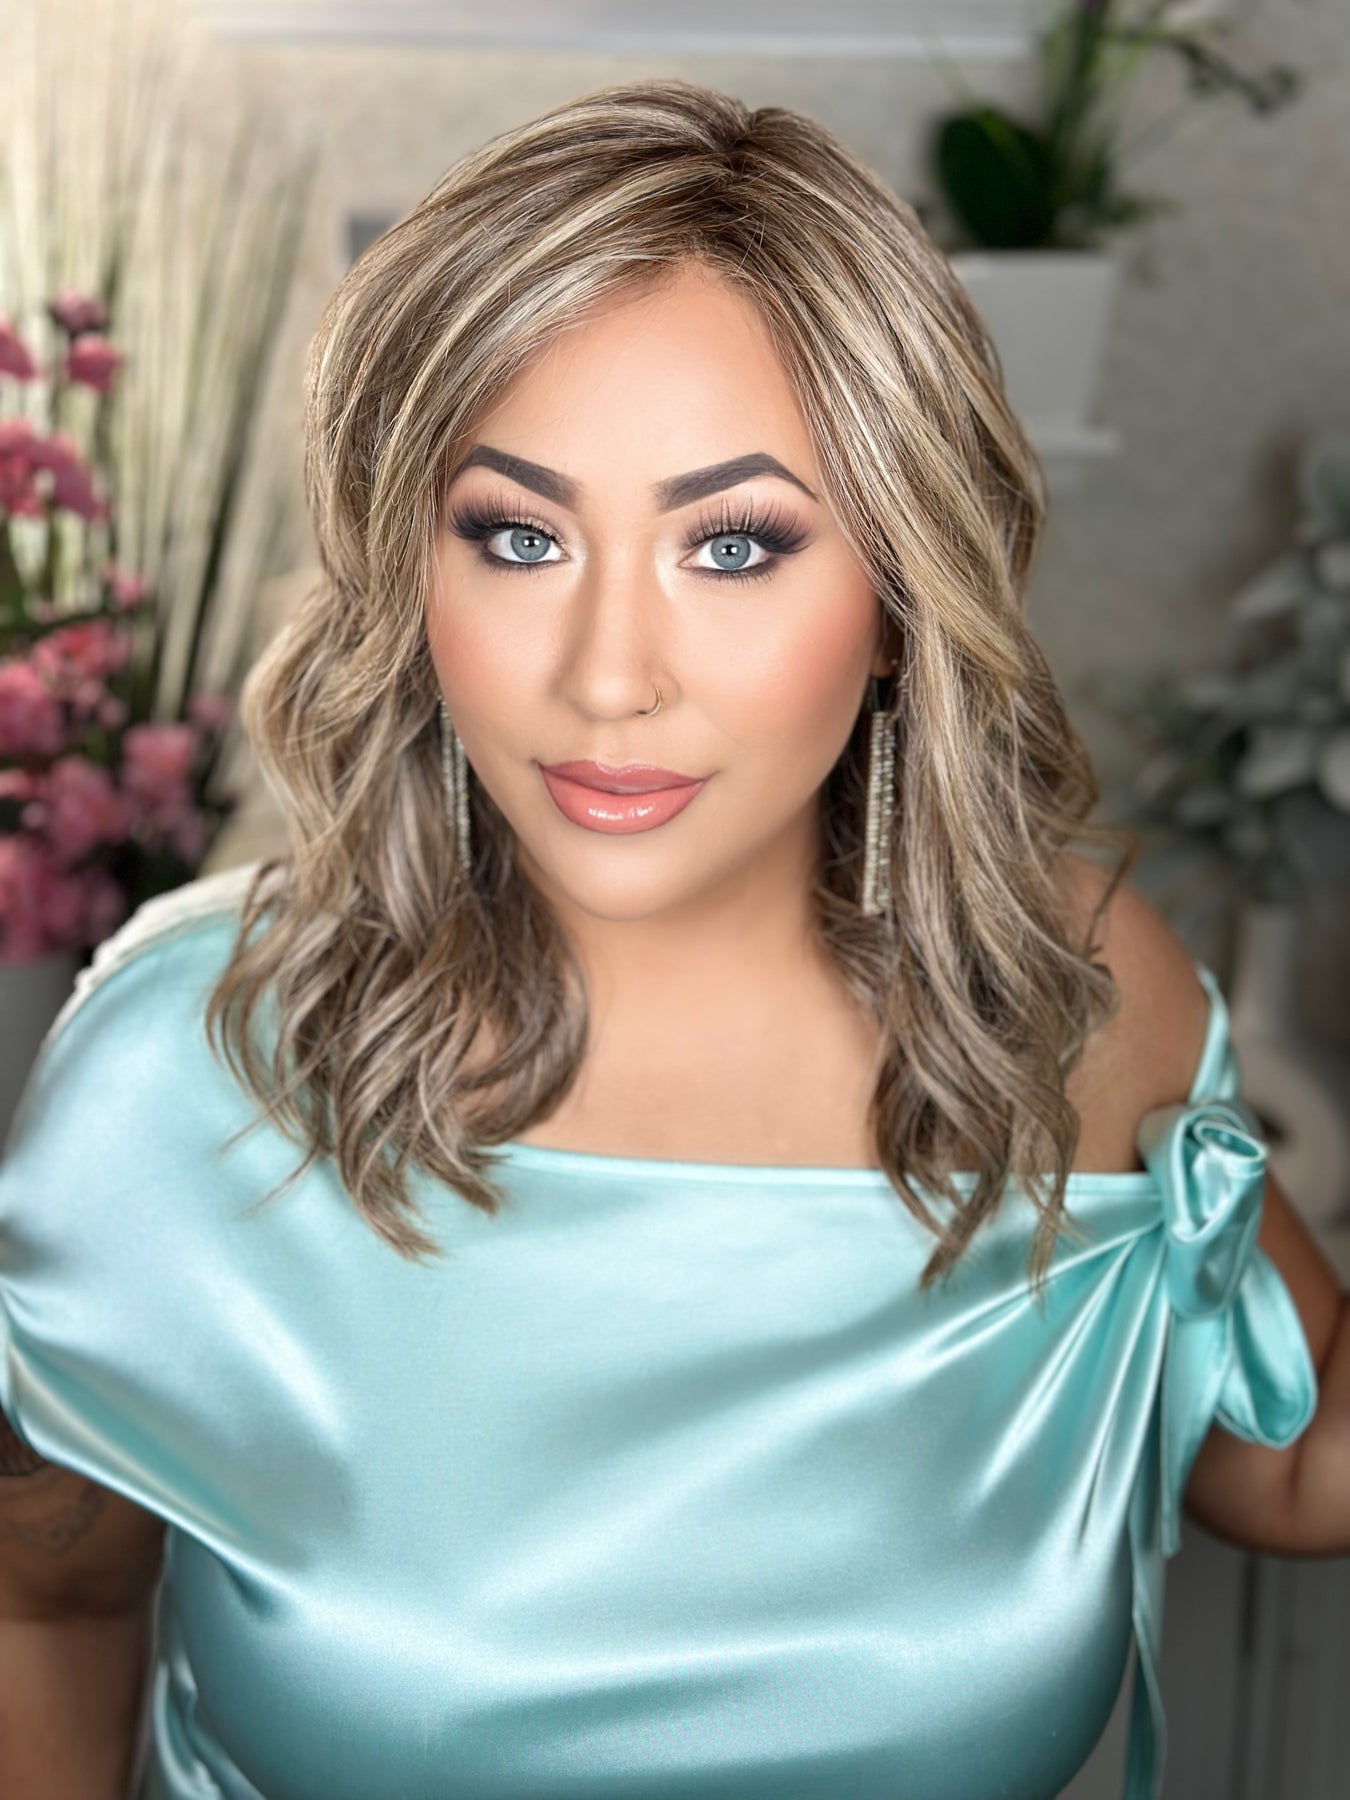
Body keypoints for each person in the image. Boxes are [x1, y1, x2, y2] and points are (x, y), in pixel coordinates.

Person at [0, 77, 1341, 1800]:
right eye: (517, 537)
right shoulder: (189, 1072)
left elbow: (1289, 1467)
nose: (608, 674)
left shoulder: (1057, 992)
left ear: (898, 601)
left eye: (732, 545)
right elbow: (40, 1600)